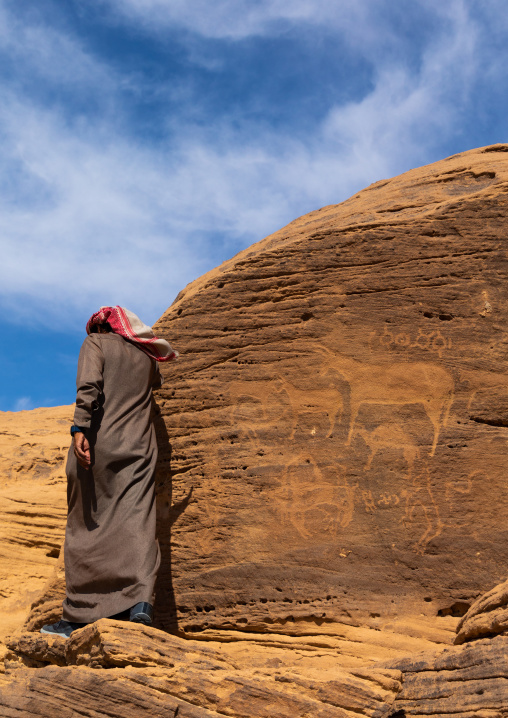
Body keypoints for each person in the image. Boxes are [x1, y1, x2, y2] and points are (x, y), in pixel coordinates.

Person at [41, 306, 178, 638]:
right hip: (140, 451)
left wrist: (79, 430)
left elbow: (89, 386)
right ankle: (139, 605)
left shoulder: (96, 345)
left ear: (101, 328)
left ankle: (77, 616)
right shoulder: (147, 360)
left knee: (84, 527)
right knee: (138, 524)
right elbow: (154, 384)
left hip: (99, 447)